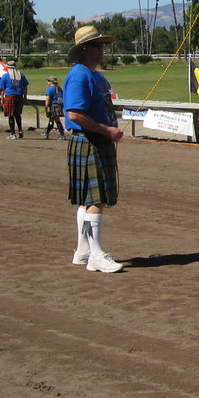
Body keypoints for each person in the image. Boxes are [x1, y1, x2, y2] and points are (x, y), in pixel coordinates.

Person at [64, 26, 125, 273]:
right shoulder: (79, 76)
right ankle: (96, 255)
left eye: (103, 45)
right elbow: (74, 114)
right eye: (97, 46)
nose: (102, 50)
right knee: (95, 200)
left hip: (98, 142)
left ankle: (83, 251)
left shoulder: (97, 76)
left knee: (86, 201)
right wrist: (106, 130)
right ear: (84, 49)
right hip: (89, 142)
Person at [0, 60, 29, 139]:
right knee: (18, 115)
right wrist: (25, 96)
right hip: (19, 96)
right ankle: (20, 131)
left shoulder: (5, 76)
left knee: (11, 115)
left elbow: (1, 88)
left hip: (10, 96)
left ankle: (12, 133)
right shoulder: (21, 75)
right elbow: (25, 87)